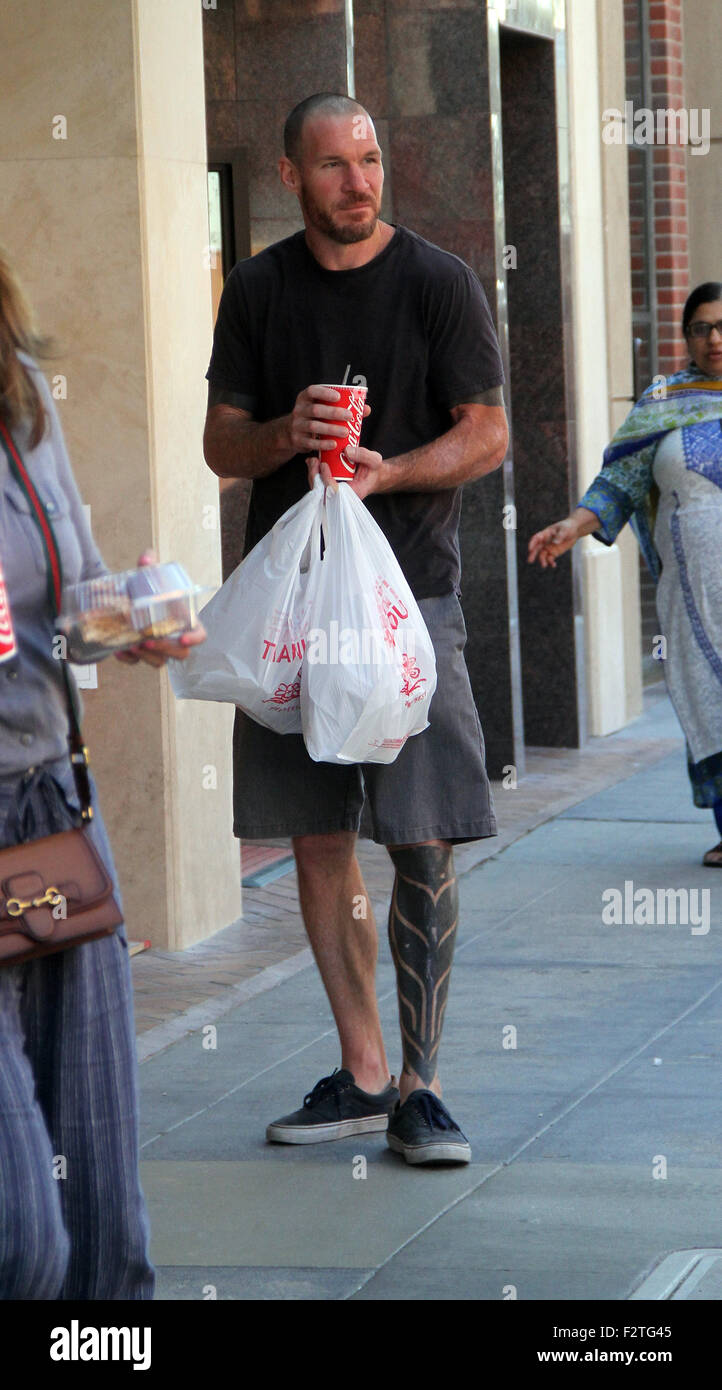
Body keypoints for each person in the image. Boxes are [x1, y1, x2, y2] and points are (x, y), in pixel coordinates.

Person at [203, 93, 508, 1165]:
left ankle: (425, 1088)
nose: (357, 182)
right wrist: (286, 430)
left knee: (419, 838)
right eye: (332, 165)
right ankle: (365, 1070)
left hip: (405, 600)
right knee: (316, 835)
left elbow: (487, 432)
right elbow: (218, 445)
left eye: (369, 159)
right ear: (289, 175)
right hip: (289, 611)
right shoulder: (257, 287)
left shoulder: (436, 282)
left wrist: (392, 471)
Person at [0, 249, 205, 1298]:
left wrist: (135, 619)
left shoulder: (20, 395)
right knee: (21, 1237)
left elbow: (72, 604)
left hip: (42, 811)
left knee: (100, 1223)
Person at [529, 282, 722, 865]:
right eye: (701, 328)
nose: (714, 338)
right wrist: (573, 525)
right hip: (692, 594)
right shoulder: (665, 400)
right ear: (686, 337)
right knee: (708, 698)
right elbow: (622, 481)